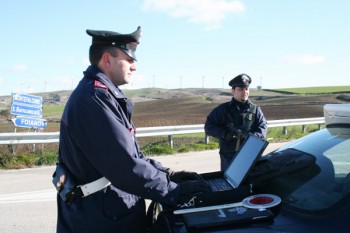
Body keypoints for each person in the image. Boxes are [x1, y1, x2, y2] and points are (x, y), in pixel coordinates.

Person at [55, 26, 210, 233]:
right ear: (108, 60)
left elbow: (133, 155)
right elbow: (125, 165)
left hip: (106, 210)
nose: (134, 66)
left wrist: (168, 175)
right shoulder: (94, 99)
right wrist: (173, 191)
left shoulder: (103, 95)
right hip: (102, 218)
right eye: (129, 59)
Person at [204, 73, 267, 171]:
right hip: (229, 155)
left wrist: (252, 137)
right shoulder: (223, 109)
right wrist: (225, 134)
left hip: (250, 153)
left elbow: (262, 128)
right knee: (231, 182)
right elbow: (209, 127)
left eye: (246, 89)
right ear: (233, 91)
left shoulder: (255, 110)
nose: (244, 92)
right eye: (240, 89)